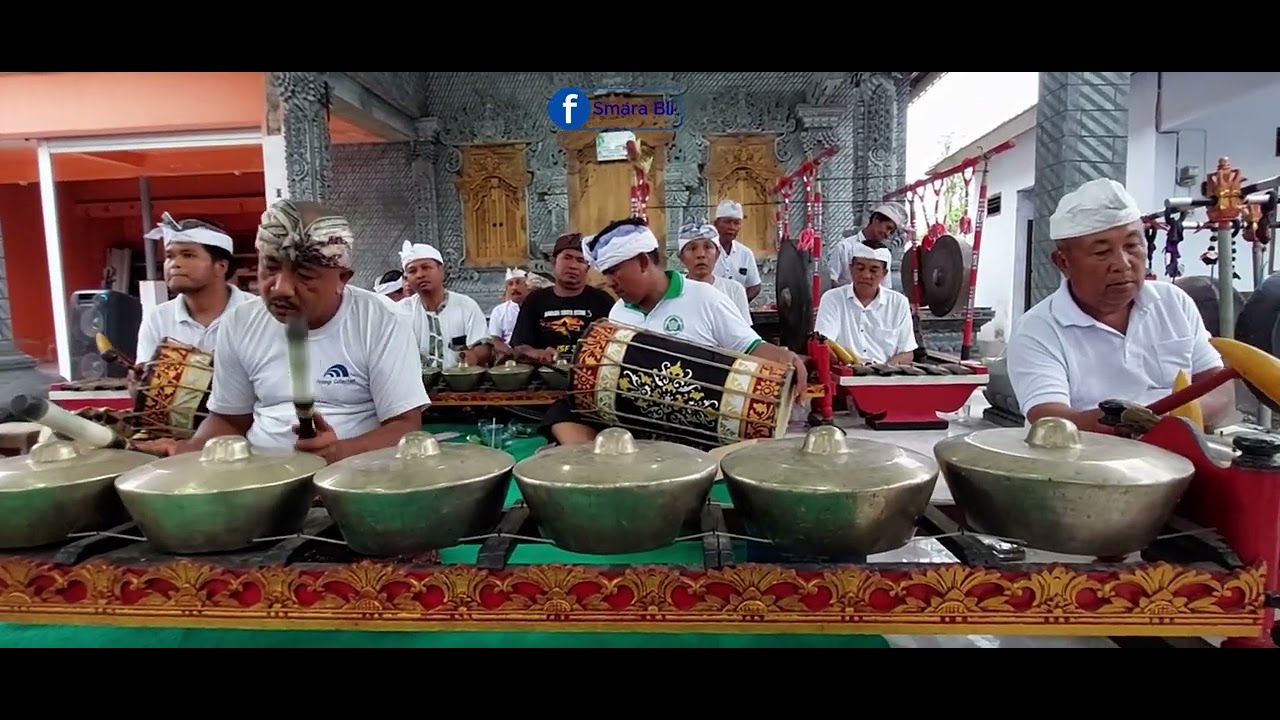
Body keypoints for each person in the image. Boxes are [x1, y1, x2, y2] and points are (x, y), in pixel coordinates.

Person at [148, 199, 429, 462]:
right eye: (269, 269)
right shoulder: (240, 322)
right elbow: (231, 419)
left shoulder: (381, 320)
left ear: (342, 278)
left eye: (304, 275)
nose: (280, 288)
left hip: (355, 480)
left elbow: (404, 426)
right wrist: (189, 452)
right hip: (263, 480)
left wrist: (339, 452)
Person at [545, 219, 807, 446]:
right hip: (636, 422)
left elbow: (750, 347)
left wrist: (786, 357)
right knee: (564, 409)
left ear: (643, 261)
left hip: (697, 423)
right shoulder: (619, 313)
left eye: (614, 272)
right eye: (606, 273)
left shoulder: (705, 298)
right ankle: (598, 467)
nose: (610, 282)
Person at [1005, 178, 1233, 431]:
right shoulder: (1039, 329)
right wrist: (1143, 426)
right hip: (1082, 463)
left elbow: (1218, 387)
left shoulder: (1173, 303)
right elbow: (1051, 418)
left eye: (1132, 246)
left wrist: (1176, 420)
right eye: (1102, 252)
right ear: (1063, 263)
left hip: (1178, 450)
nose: (1123, 263)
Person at [135, 214, 254, 364]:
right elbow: (146, 379)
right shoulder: (158, 319)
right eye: (169, 256)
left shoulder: (257, 313)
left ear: (221, 267)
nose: (174, 264)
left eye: (188, 255)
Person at [510, 232, 615, 364]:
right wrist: (538, 354)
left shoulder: (603, 301)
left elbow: (615, 348)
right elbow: (519, 347)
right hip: (545, 376)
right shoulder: (535, 300)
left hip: (589, 376)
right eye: (567, 257)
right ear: (554, 262)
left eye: (580, 261)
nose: (573, 266)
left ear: (587, 268)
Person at [815, 243, 916, 364]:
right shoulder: (832, 299)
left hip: (885, 374)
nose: (866, 275)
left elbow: (906, 352)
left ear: (884, 273)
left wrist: (883, 371)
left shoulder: (899, 303)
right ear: (851, 269)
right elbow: (824, 343)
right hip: (844, 373)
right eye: (860, 268)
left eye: (874, 270)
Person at [397, 240, 492, 369]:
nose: (420, 275)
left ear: (441, 271)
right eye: (412, 271)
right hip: (417, 385)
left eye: (426, 267)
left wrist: (474, 355)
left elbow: (483, 346)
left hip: (459, 384)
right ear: (406, 278)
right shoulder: (402, 311)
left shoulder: (466, 306)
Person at [676, 222, 752, 324]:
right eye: (692, 249)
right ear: (681, 258)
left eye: (707, 247)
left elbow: (745, 333)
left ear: (717, 254)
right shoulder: (675, 291)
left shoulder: (734, 290)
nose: (701, 255)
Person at [827, 202, 907, 288]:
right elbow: (831, 280)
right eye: (888, 228)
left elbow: (885, 287)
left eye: (891, 232)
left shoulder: (885, 253)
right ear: (876, 220)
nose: (888, 234)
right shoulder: (845, 247)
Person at [711, 200, 763, 301]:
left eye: (736, 223)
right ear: (716, 224)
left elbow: (755, 286)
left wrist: (739, 303)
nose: (731, 227)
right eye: (727, 222)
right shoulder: (706, 252)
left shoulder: (745, 254)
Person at [488, 268, 529, 352]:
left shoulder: (537, 307)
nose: (514, 288)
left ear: (527, 286)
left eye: (518, 283)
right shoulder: (499, 311)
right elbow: (495, 340)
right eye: (510, 284)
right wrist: (510, 352)